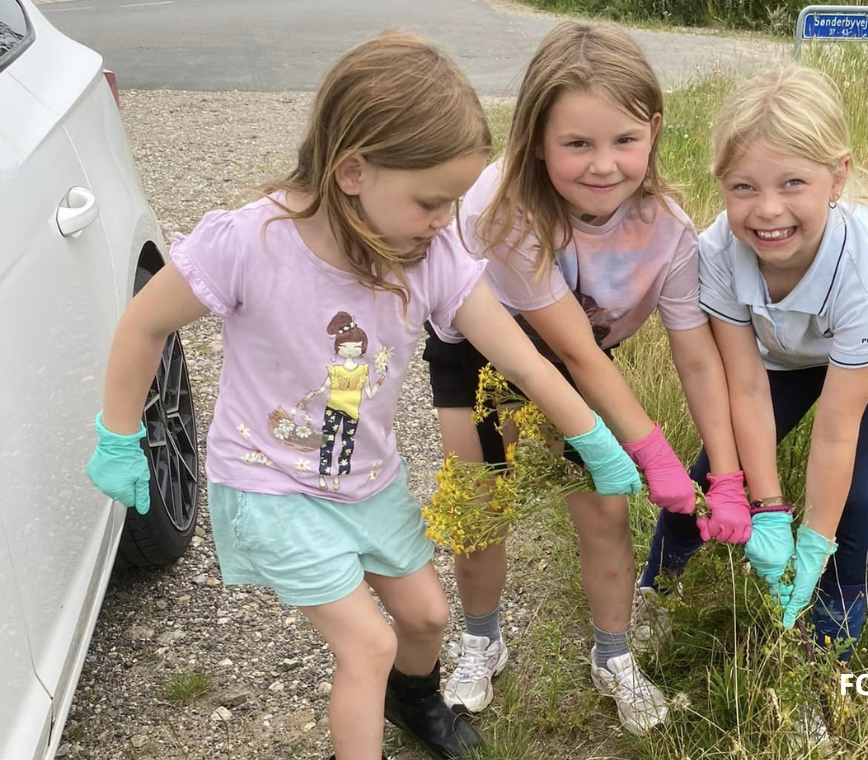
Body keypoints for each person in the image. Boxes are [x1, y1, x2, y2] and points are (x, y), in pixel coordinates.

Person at [85, 32, 640, 760]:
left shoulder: (431, 254)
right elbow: (144, 322)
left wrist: (596, 441)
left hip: (368, 479)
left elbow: (529, 366)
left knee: (427, 619)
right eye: (432, 201)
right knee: (370, 643)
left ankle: (414, 706)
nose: (448, 219)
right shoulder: (248, 244)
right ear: (353, 171)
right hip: (270, 481)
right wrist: (119, 434)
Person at [422, 20, 745, 735]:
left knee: (603, 514)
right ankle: (481, 639)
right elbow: (568, 352)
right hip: (481, 352)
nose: (604, 165)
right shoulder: (500, 211)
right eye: (577, 144)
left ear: (654, 131)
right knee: (480, 504)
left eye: (625, 141)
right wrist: (652, 453)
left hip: (586, 360)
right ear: (535, 138)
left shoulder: (670, 232)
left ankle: (615, 655)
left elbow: (696, 356)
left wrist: (725, 474)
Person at [639, 63, 868, 741]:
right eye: (744, 187)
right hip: (780, 350)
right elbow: (742, 386)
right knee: (709, 473)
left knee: (857, 499)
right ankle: (659, 585)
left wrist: (813, 538)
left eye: (792, 183)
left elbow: (835, 427)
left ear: (839, 178)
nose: (767, 211)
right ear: (721, 185)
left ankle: (820, 657)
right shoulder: (714, 252)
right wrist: (767, 507)